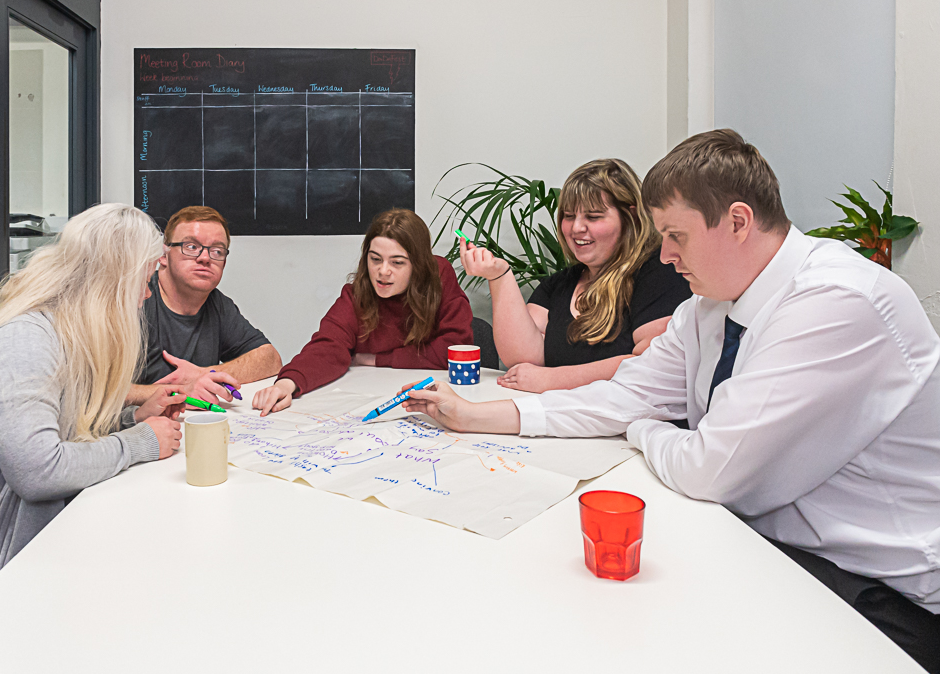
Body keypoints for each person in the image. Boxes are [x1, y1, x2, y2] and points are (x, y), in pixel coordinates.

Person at [402, 130, 940, 673]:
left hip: (884, 596)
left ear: (737, 221)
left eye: (676, 236)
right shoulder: (707, 307)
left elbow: (710, 468)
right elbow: (623, 395)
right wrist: (477, 416)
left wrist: (646, 430)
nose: (664, 255)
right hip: (775, 550)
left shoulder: (837, 302)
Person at [0, 204, 186, 653]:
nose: (146, 295)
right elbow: (38, 469)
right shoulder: (26, 340)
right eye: (144, 278)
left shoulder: (61, 334)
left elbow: (55, 427)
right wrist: (139, 441)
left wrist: (130, 418)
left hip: (4, 587)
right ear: (115, 278)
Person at [459, 159, 691, 392]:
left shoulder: (659, 273)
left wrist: (552, 380)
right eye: (569, 216)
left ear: (630, 218)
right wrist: (499, 276)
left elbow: (650, 363)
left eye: (593, 216)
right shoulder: (560, 284)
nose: (576, 228)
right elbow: (523, 360)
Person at [254, 208, 473, 415]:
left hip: (428, 400)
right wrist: (288, 382)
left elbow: (455, 350)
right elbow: (328, 346)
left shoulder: (438, 277)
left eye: (397, 262)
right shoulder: (357, 293)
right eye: (375, 259)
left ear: (418, 265)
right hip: (367, 398)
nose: (382, 271)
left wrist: (378, 359)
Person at [127, 206, 281, 408]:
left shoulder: (216, 304)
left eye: (217, 251)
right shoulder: (137, 301)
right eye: (191, 247)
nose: (205, 258)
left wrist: (204, 374)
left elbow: (270, 359)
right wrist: (177, 392)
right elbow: (93, 391)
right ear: (163, 256)